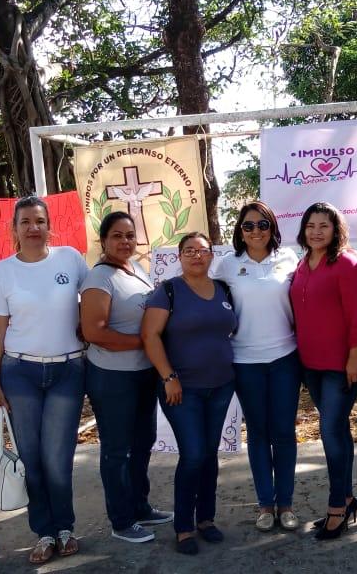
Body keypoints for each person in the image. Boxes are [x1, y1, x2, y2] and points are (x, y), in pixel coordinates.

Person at [0, 196, 89, 564]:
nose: (33, 228)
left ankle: (65, 527)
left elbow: (92, 304)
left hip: (67, 370)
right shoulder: (2, 272)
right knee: (31, 457)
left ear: (49, 226)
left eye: (40, 221)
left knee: (58, 459)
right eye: (26, 222)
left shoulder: (71, 260)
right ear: (14, 229)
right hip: (20, 373)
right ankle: (43, 532)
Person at [141, 232, 238, 555]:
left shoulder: (223, 290)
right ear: (179, 257)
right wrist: (169, 377)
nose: (197, 256)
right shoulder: (167, 291)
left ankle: (206, 519)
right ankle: (183, 526)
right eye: (189, 251)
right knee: (194, 454)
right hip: (182, 390)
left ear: (212, 256)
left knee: (209, 454)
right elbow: (151, 336)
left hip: (221, 385)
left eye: (203, 251)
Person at [80, 211, 173, 544]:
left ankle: (140, 506)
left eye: (130, 235)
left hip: (143, 374)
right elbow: (94, 331)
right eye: (117, 236)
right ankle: (121, 520)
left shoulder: (137, 270)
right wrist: (147, 342)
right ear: (103, 241)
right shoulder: (99, 279)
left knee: (142, 443)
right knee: (117, 450)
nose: (125, 242)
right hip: (112, 378)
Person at [213, 201, 302, 531]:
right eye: (248, 226)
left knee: (283, 432)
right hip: (245, 361)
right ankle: (266, 504)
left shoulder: (289, 258)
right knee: (259, 433)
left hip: (284, 359)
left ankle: (286, 503)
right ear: (240, 230)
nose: (255, 231)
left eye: (262, 225)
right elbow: (209, 301)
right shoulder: (227, 264)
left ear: (273, 228)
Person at [289, 202, 357, 540]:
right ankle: (348, 497)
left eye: (324, 225)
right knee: (337, 430)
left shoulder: (348, 263)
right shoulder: (302, 264)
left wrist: (355, 357)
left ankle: (337, 506)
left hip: (342, 365)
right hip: (311, 364)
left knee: (330, 431)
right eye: (311, 225)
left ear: (336, 229)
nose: (316, 231)